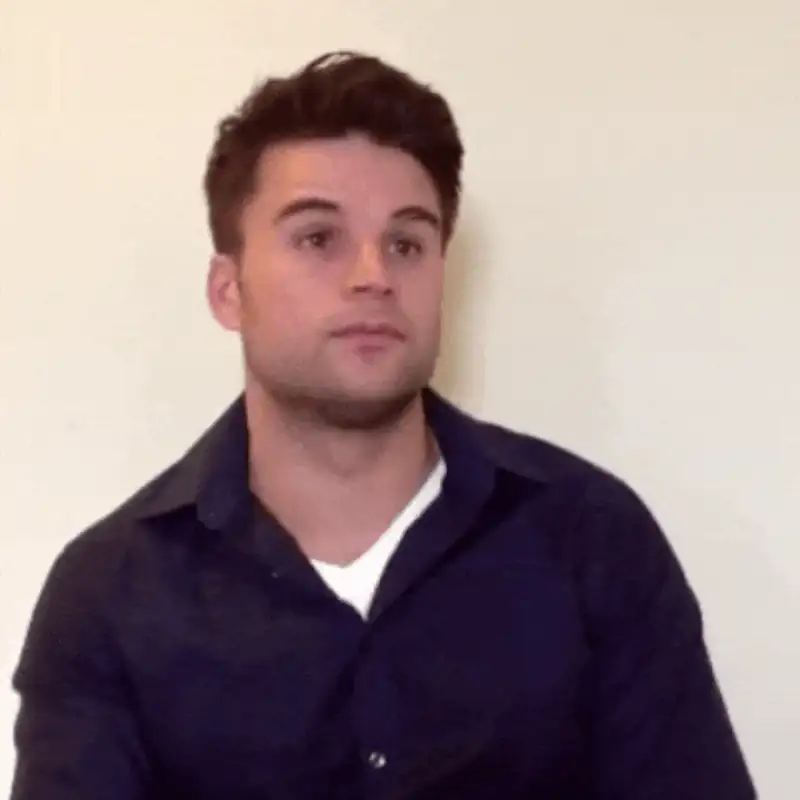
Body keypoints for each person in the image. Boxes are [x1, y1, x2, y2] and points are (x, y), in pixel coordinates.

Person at [11, 51, 756, 799]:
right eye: (317, 238)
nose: (373, 274)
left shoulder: (591, 540)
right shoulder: (109, 593)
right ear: (228, 291)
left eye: (406, 243)